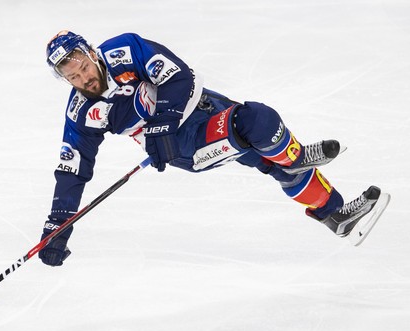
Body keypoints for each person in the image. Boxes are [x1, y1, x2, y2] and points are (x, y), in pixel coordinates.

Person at [39, 30, 390, 266]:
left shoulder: (124, 50)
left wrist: (161, 122)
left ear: (89, 52)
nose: (84, 78)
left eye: (83, 66)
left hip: (203, 105)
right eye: (73, 77)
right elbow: (73, 169)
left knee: (267, 157)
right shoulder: (82, 112)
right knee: (257, 122)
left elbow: (180, 76)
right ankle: (297, 157)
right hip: (183, 145)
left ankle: (336, 215)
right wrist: (57, 225)